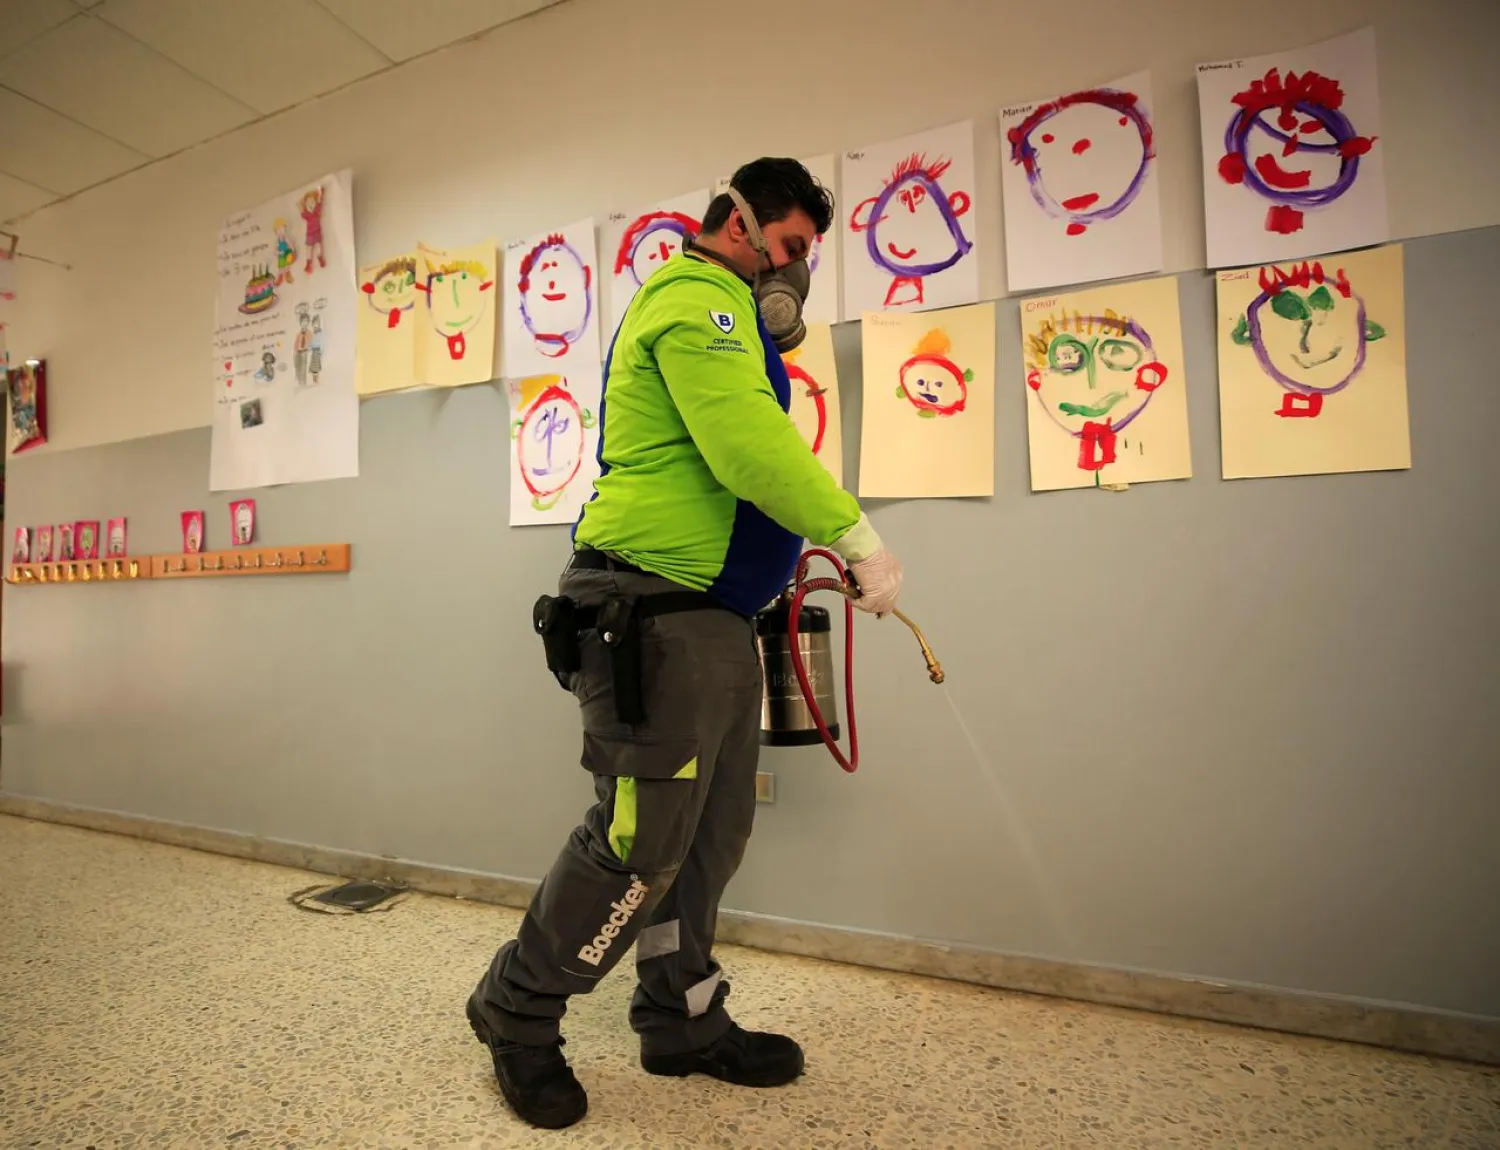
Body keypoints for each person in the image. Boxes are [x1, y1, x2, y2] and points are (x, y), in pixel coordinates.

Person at [466, 157, 905, 1130]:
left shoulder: (735, 315)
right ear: (739, 224)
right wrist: (854, 533)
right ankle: (516, 1009)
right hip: (649, 610)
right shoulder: (695, 296)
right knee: (640, 841)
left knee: (711, 836)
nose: (796, 270)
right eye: (790, 246)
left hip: (710, 618)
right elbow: (747, 444)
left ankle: (681, 1019)